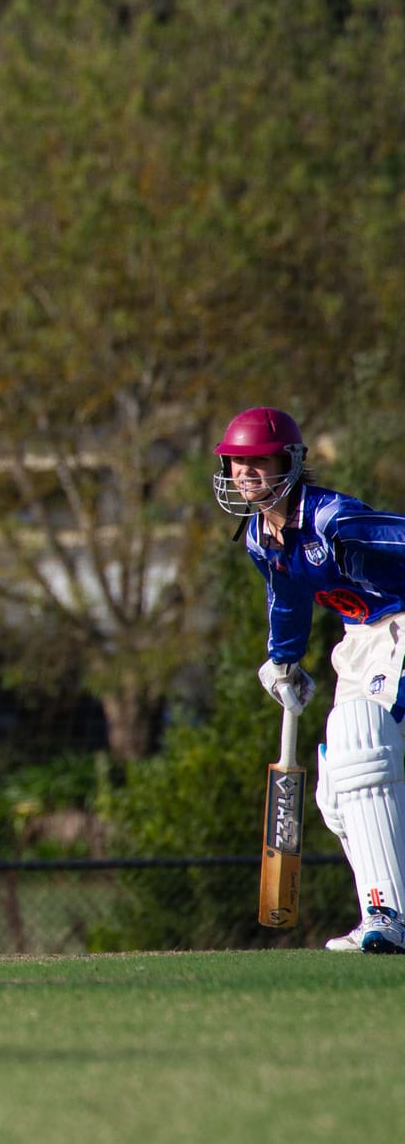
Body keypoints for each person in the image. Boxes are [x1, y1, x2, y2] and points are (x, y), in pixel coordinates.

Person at [215, 406, 405, 954]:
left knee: (358, 739)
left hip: (399, 627)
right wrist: (283, 660)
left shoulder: (333, 520)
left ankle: (389, 917)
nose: (245, 475)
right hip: (360, 640)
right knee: (337, 795)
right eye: (236, 464)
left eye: (258, 463)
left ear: (291, 462)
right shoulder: (258, 537)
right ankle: (385, 911)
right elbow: (288, 600)